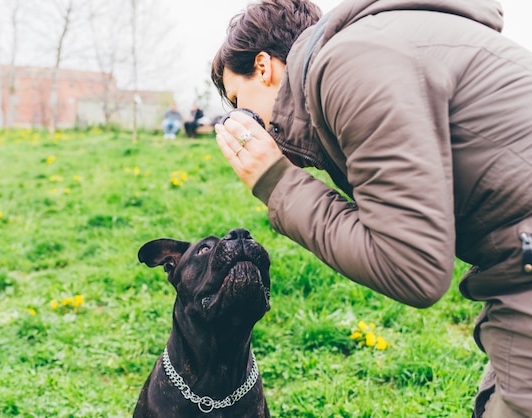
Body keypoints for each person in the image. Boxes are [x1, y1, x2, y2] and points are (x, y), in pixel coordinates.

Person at [211, 0, 532, 417]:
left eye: (239, 101)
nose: (243, 121)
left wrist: (276, 182)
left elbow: (411, 267)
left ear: (264, 67)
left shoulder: (350, 64)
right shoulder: (376, 45)